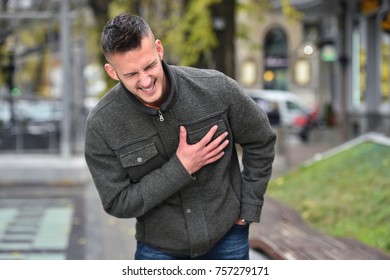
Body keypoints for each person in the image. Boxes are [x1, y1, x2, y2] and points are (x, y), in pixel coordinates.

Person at [84, 13, 276, 260]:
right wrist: (181, 167)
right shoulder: (102, 124)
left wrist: (248, 209)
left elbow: (261, 140)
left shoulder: (216, 88)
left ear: (159, 49)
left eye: (150, 65)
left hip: (228, 239)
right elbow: (117, 202)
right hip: (158, 252)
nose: (145, 81)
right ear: (112, 72)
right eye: (131, 74)